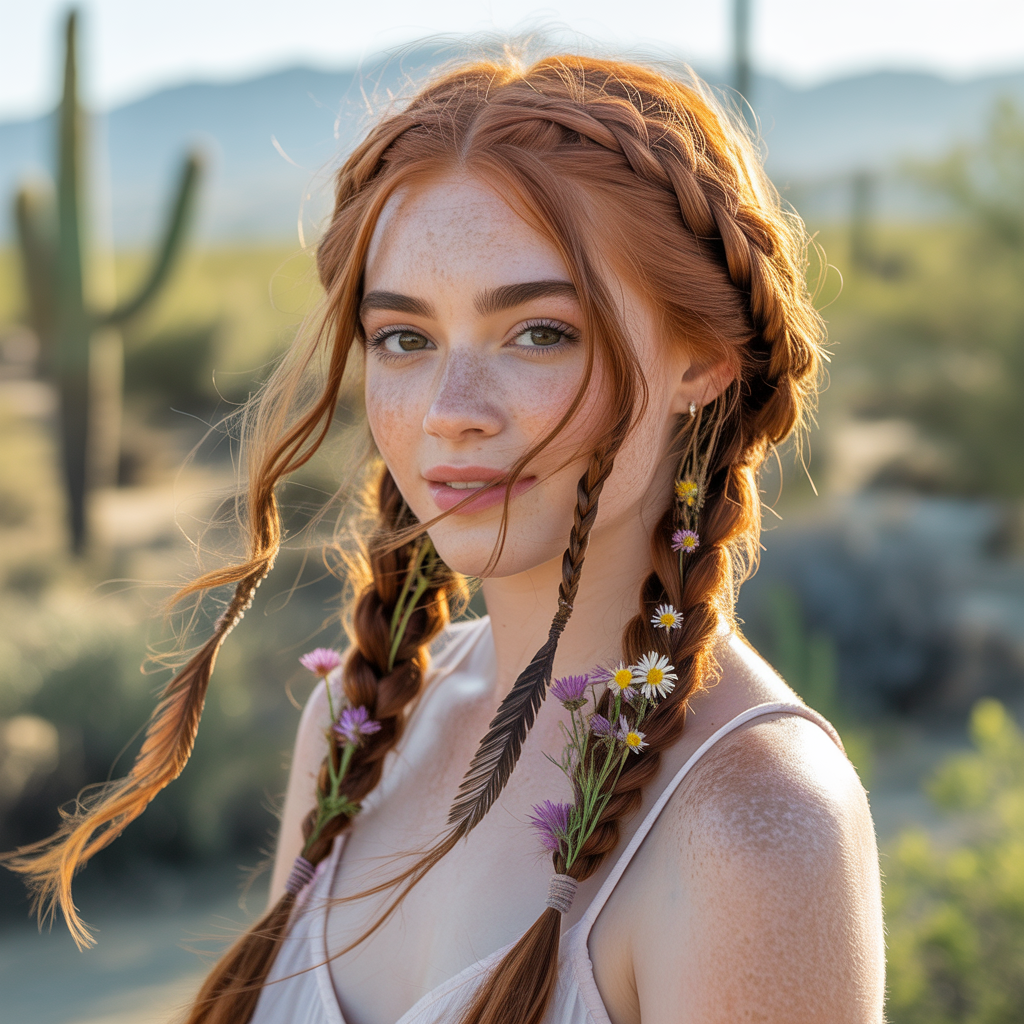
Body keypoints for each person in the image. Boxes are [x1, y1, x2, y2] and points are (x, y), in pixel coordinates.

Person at [5, 53, 885, 1024]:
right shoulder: (356, 726)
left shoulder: (752, 827)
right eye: (405, 339)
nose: (449, 412)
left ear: (704, 362)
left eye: (540, 333)